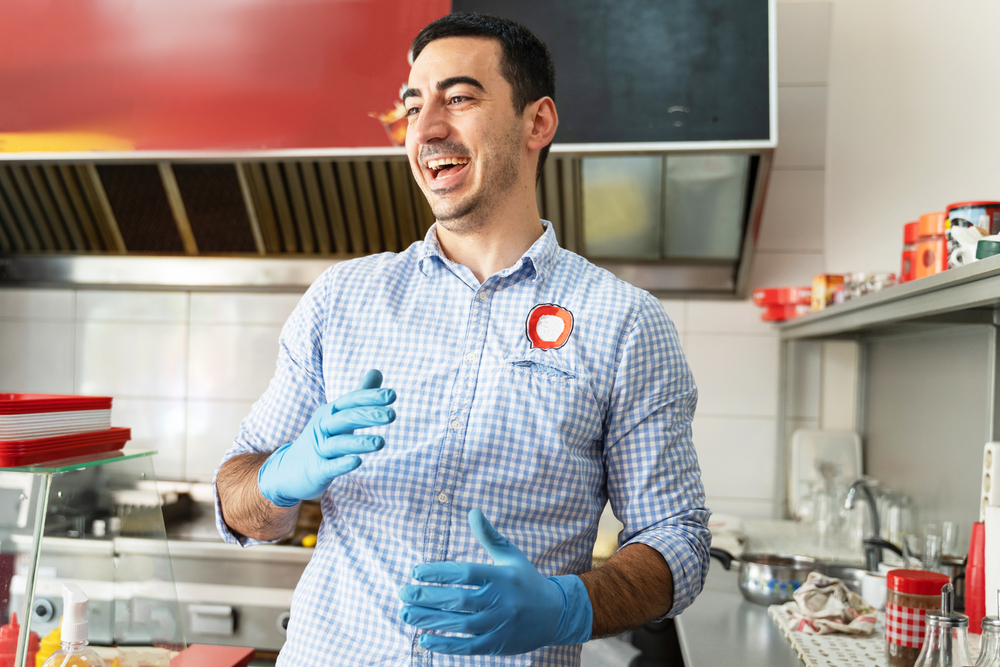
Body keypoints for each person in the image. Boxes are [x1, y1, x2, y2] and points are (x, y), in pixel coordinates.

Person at [214, 12, 711, 666]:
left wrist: (569, 604)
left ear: (537, 122)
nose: (426, 129)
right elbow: (236, 496)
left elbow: (677, 540)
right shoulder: (343, 300)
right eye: (412, 105)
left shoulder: (623, 323)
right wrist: (280, 477)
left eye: (458, 98)